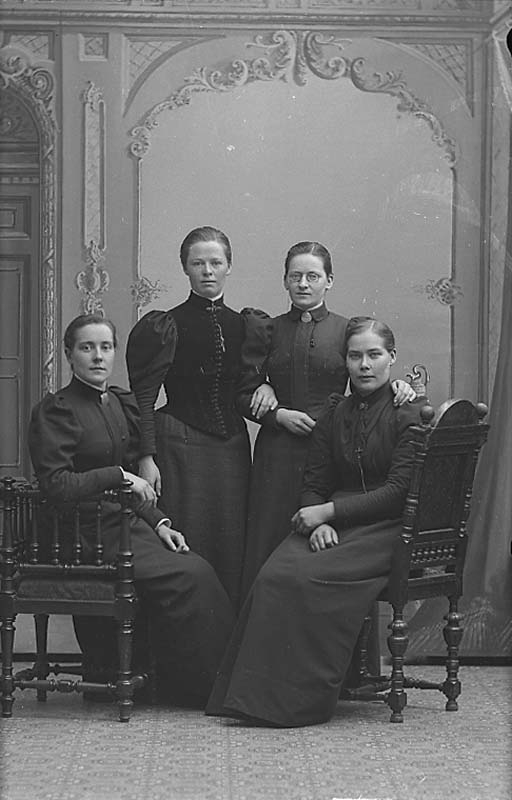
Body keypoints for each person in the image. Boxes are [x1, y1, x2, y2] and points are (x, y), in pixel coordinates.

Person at [206, 316, 428, 727]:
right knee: (274, 574)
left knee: (306, 577)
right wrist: (319, 519)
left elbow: (398, 492)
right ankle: (251, 699)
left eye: (374, 355)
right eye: (355, 356)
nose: (364, 365)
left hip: (387, 528)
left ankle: (296, 703)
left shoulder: (407, 413)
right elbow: (315, 480)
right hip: (336, 519)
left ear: (392, 358)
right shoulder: (335, 412)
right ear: (345, 361)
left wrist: (328, 513)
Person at [28, 313, 234, 707]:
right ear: (69, 355)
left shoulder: (116, 403)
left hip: (119, 525)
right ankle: (208, 690)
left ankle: (194, 683)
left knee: (196, 566)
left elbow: (133, 488)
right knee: (189, 577)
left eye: (105, 347)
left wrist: (160, 523)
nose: (98, 356)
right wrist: (120, 475)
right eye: (87, 347)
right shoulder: (57, 411)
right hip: (81, 533)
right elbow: (57, 486)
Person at [238, 241, 415, 598]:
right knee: (271, 547)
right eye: (295, 276)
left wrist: (398, 385)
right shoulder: (269, 330)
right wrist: (275, 411)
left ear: (329, 281)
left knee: (321, 547)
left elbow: (366, 379)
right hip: (277, 456)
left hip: (332, 455)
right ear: (285, 281)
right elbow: (243, 394)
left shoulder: (345, 330)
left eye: (313, 276)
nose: (303, 284)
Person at [126, 226, 274, 611]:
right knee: (187, 540)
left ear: (229, 266)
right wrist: (146, 456)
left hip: (232, 448)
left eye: (215, 262)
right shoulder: (165, 325)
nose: (207, 271)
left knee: (231, 543)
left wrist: (266, 387)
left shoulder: (246, 325)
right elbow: (144, 397)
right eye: (198, 263)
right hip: (178, 443)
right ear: (185, 268)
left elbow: (250, 387)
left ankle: (224, 638)